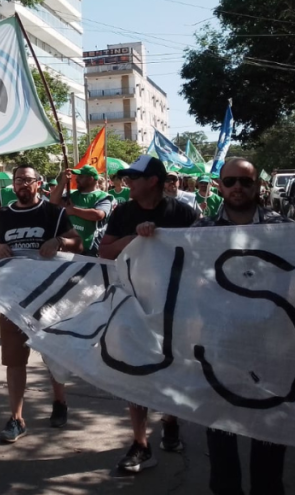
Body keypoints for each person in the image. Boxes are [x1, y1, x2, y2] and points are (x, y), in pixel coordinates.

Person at [190, 158, 295, 495]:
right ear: (219, 186)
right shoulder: (199, 232)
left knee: (271, 433)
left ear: (258, 185)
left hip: (273, 348)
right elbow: (174, 272)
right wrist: (148, 238)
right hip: (220, 347)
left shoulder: (285, 230)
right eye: (230, 181)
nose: (237, 188)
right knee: (221, 433)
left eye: (245, 182)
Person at [98, 156, 198, 473]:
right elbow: (105, 251)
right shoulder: (124, 212)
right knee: (135, 369)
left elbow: (203, 251)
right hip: (134, 304)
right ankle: (140, 444)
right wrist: (133, 239)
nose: (127, 183)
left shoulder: (181, 212)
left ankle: (170, 421)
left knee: (173, 366)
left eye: (133, 178)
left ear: (152, 181)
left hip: (177, 306)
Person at [0, 163, 83, 442]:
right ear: (13, 185)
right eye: (18, 180)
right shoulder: (2, 216)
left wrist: (60, 242)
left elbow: (79, 243)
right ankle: (16, 418)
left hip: (49, 297)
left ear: (39, 184)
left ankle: (60, 401)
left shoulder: (53, 213)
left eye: (28, 180)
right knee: (15, 360)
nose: (23, 185)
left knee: (53, 354)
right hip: (11, 299)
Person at [49, 165, 113, 257]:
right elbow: (53, 203)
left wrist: (73, 210)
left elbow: (98, 215)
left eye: (81, 176)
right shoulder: (71, 194)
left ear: (90, 179)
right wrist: (62, 182)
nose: (77, 179)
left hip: (91, 250)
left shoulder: (103, 197)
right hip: (70, 247)